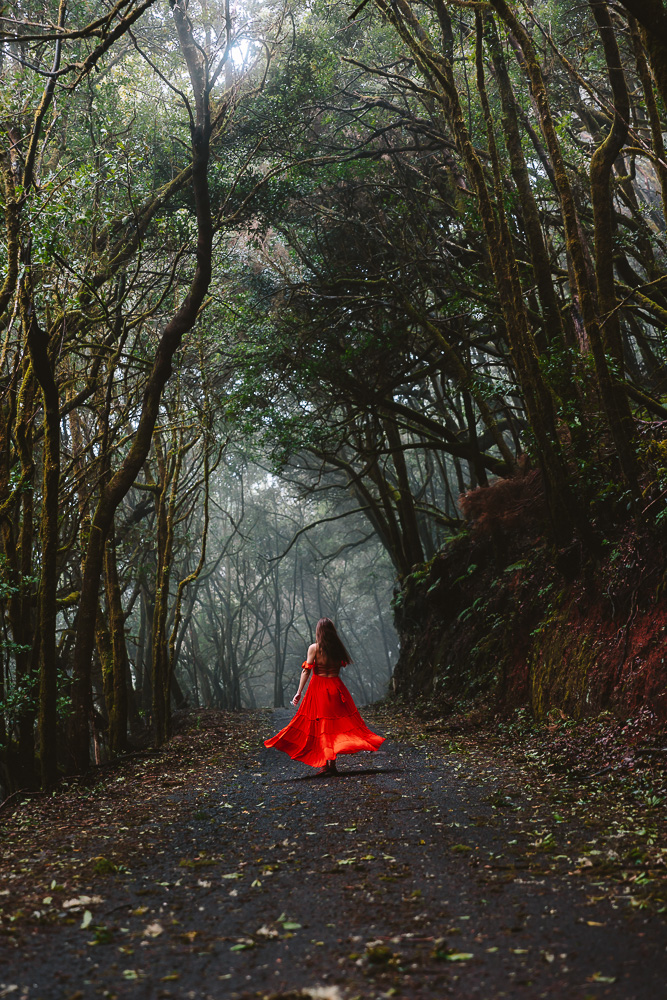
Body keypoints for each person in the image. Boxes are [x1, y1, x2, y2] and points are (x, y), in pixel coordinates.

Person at [264, 617, 385, 774]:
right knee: (333, 726)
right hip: (336, 688)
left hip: (319, 689)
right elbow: (340, 666)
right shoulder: (338, 649)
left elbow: (306, 670)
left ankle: (325, 764)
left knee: (321, 725)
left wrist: (299, 692)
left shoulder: (314, 648)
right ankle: (331, 764)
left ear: (319, 632)